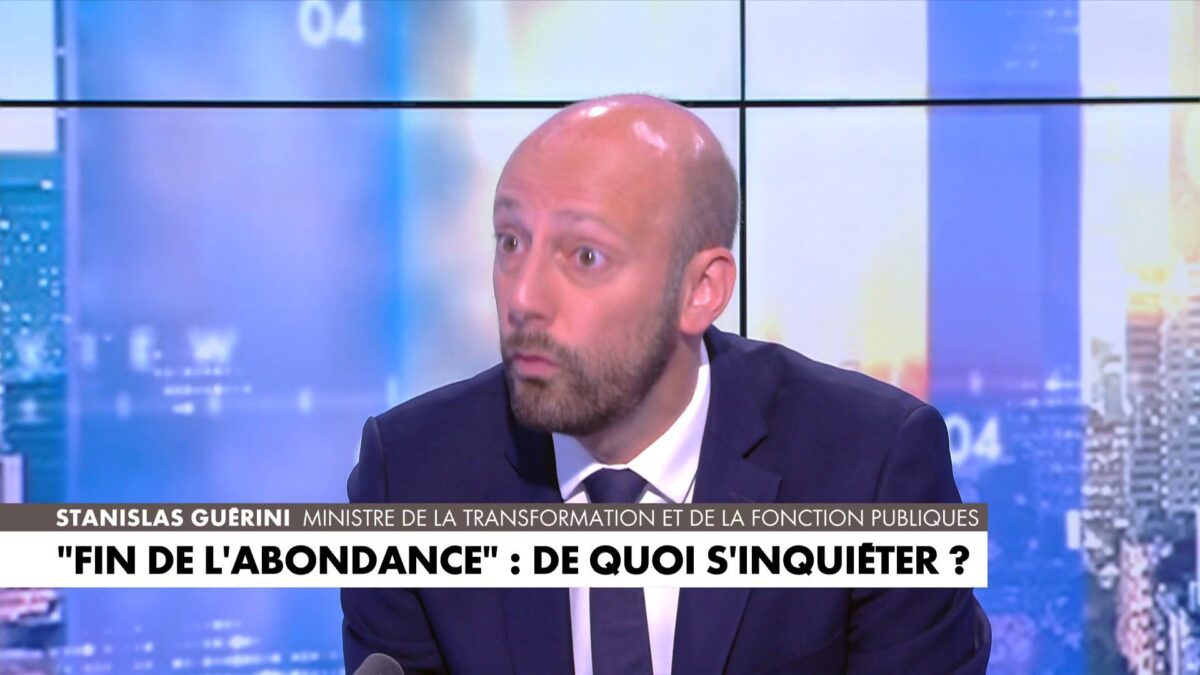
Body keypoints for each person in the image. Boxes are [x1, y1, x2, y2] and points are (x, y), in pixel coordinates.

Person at [342, 94, 990, 674]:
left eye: (585, 256)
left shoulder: (872, 466)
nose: (524, 297)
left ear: (701, 290)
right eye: (511, 242)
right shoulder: (408, 475)